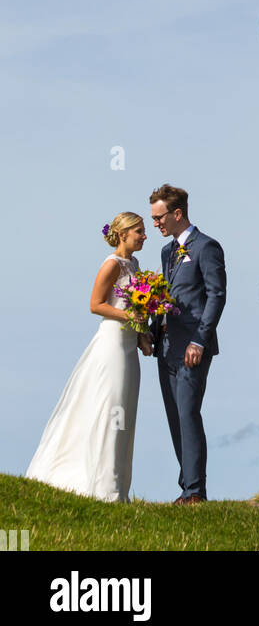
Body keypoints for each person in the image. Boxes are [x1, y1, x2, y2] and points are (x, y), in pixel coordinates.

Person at [25, 212, 153, 503]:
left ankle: (118, 486)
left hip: (129, 345)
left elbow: (137, 308)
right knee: (110, 409)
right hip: (111, 345)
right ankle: (103, 489)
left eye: (145, 231)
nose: (144, 236)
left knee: (125, 412)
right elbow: (95, 305)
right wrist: (128, 315)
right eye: (139, 231)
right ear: (123, 234)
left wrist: (143, 333)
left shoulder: (135, 264)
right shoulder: (112, 264)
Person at [148, 185, 226, 504]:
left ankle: (195, 492)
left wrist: (199, 340)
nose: (155, 224)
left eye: (159, 217)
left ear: (177, 213)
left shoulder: (207, 247)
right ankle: (186, 486)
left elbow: (216, 295)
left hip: (193, 347)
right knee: (174, 417)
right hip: (165, 347)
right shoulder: (167, 252)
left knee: (188, 413)